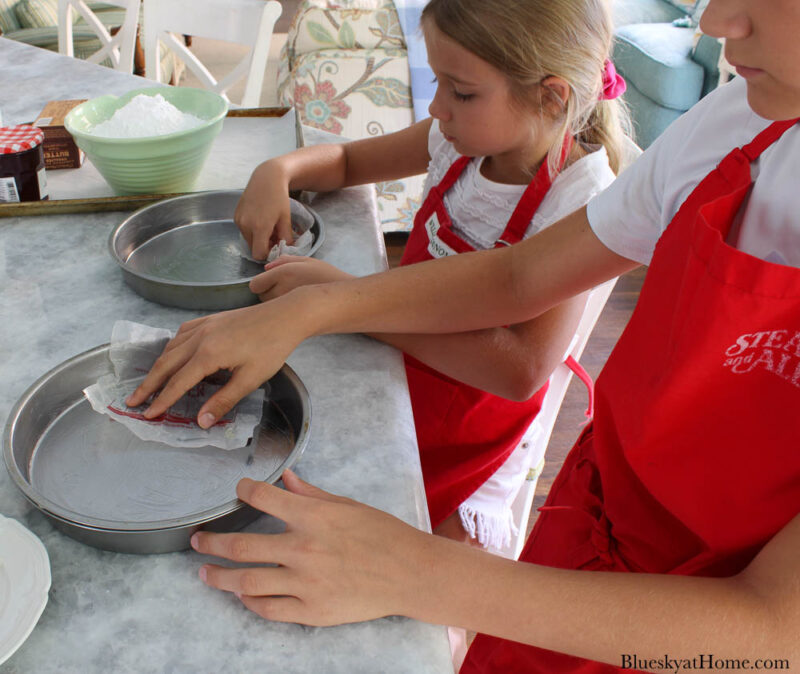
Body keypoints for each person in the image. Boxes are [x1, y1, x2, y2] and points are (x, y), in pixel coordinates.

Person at [127, 0, 800, 670]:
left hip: (672, 603)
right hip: (602, 518)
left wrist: (413, 570)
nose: (712, 24)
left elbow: (773, 631)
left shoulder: (588, 177)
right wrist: (314, 303)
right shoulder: (736, 122)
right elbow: (517, 279)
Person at [234, 0, 630, 549]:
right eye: (437, 82)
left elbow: (520, 371)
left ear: (551, 95)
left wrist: (348, 298)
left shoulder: (579, 200)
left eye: (461, 91)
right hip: (397, 366)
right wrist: (277, 171)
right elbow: (348, 162)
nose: (437, 107)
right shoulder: (459, 138)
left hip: (472, 434)